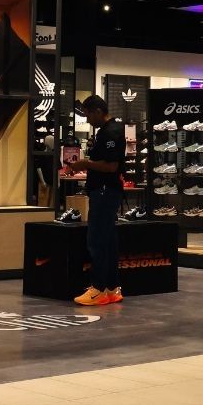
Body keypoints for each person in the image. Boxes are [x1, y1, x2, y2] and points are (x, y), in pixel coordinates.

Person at [65, 94, 124, 306]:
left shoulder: (111, 132)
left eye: (89, 114)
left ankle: (98, 288)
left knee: (96, 240)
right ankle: (111, 288)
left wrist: (85, 164)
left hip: (105, 192)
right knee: (107, 241)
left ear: (98, 112)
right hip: (104, 191)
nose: (88, 120)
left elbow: (111, 166)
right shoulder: (107, 131)